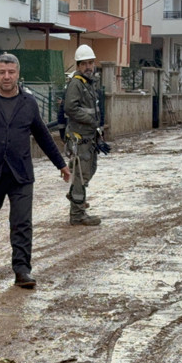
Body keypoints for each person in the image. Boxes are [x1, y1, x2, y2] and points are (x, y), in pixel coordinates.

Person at [0, 53, 71, 289]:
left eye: (10, 72)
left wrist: (60, 163)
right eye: (1, 72)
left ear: (18, 74)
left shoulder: (28, 103)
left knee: (22, 223)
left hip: (21, 174)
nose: (6, 77)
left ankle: (22, 270)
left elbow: (42, 135)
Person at [63, 44, 102, 226]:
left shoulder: (88, 83)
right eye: (84, 64)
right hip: (80, 138)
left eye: (91, 63)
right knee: (81, 175)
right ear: (78, 66)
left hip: (88, 136)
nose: (88, 67)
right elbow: (70, 108)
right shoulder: (77, 84)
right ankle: (77, 214)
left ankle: (77, 200)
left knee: (88, 171)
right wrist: (90, 120)